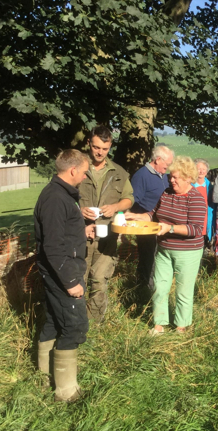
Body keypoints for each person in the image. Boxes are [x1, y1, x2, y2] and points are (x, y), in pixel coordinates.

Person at [34, 149, 96, 402]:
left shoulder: (60, 195)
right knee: (75, 326)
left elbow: (61, 234)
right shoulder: (55, 199)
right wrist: (71, 282)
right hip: (62, 273)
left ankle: (43, 374)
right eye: (83, 172)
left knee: (53, 320)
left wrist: (82, 232)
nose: (84, 177)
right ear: (72, 171)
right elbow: (53, 246)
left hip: (60, 270)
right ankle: (66, 391)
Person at [125, 156, 206, 334]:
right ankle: (159, 325)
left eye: (176, 177)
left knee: (183, 291)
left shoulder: (196, 199)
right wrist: (137, 216)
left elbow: (195, 229)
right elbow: (153, 214)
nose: (171, 180)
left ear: (187, 178)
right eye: (170, 176)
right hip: (164, 249)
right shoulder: (166, 192)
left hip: (188, 252)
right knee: (160, 288)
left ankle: (181, 327)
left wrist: (170, 228)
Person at [79, 125, 134, 322]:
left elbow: (129, 198)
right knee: (78, 281)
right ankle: (75, 325)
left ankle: (94, 326)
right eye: (96, 147)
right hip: (79, 236)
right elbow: (61, 198)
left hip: (107, 237)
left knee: (99, 281)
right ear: (89, 144)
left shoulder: (118, 172)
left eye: (104, 148)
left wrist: (116, 206)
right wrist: (78, 211)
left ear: (110, 146)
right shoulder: (77, 169)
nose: (100, 152)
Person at [130, 143, 174, 290]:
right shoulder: (141, 175)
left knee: (158, 256)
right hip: (146, 225)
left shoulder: (163, 176)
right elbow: (134, 201)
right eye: (166, 164)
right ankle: (145, 288)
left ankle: (155, 285)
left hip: (160, 224)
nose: (167, 167)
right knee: (148, 256)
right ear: (158, 159)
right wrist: (144, 216)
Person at [192, 158, 215, 247]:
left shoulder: (212, 188)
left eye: (203, 169)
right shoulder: (189, 187)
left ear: (207, 171)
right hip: (193, 224)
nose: (201, 171)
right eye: (199, 169)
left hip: (207, 223)